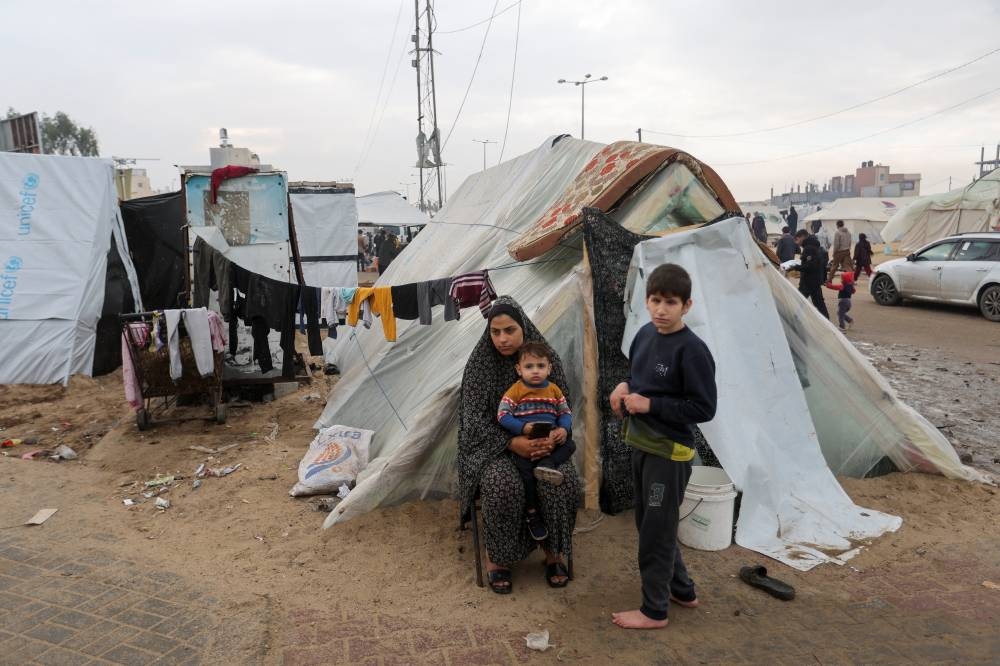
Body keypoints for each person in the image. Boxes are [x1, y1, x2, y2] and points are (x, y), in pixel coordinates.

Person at [609, 263, 717, 630]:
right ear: (646, 300)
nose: (661, 309)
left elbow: (704, 408)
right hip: (641, 442)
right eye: (655, 300)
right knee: (650, 522)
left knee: (656, 529)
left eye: (671, 302)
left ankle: (654, 611)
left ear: (687, 305)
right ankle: (681, 590)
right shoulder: (643, 335)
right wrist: (623, 388)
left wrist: (651, 405)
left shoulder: (693, 351)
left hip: (669, 453)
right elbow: (636, 378)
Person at [457, 298, 578, 594]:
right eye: (495, 332)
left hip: (543, 445)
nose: (502, 339)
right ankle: (497, 558)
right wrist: (512, 442)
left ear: (523, 327)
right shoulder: (479, 366)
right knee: (502, 485)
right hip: (493, 448)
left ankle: (554, 551)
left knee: (562, 481)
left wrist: (551, 438)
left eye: (509, 330)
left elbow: (563, 408)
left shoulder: (544, 359)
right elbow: (472, 422)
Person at [497, 341, 576, 542]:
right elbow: (503, 415)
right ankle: (532, 515)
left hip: (550, 439)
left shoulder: (554, 390)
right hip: (527, 443)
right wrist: (523, 429)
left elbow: (565, 412)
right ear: (519, 369)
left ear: (549, 368)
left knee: (570, 445)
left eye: (540, 366)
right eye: (529, 366)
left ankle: (547, 464)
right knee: (526, 475)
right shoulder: (516, 391)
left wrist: (562, 429)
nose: (535, 371)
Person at [794, 229, 830, 319]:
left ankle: (794, 318)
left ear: (802, 237)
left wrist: (795, 267)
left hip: (808, 281)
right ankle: (827, 321)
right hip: (816, 280)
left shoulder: (809, 248)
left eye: (797, 239)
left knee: (799, 300)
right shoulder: (814, 246)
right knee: (819, 303)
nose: (797, 243)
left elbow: (810, 266)